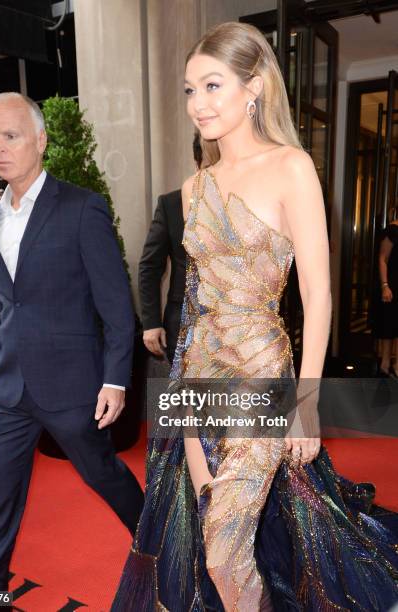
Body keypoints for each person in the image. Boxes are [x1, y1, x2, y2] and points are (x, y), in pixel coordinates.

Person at [113, 22, 398, 611]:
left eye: (212, 85)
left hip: (264, 375)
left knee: (221, 545)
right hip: (201, 377)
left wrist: (308, 400)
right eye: (189, 90)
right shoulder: (194, 189)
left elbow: (319, 294)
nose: (198, 104)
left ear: (254, 85)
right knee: (214, 533)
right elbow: (193, 311)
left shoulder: (292, 167)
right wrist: (187, 426)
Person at [0, 92, 144, 602]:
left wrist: (115, 379)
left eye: (11, 136)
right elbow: (8, 307)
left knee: (105, 476)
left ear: (40, 140)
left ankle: (161, 552)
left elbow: (116, 307)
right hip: (8, 390)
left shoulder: (80, 207)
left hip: (72, 387)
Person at [139, 134, 202, 363]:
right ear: (196, 163)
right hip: (182, 321)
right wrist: (151, 322)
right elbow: (150, 265)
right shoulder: (170, 204)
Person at [372, 214, 398, 376]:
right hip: (392, 285)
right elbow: (382, 259)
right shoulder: (393, 230)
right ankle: (385, 363)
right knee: (389, 325)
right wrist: (385, 286)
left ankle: (396, 365)